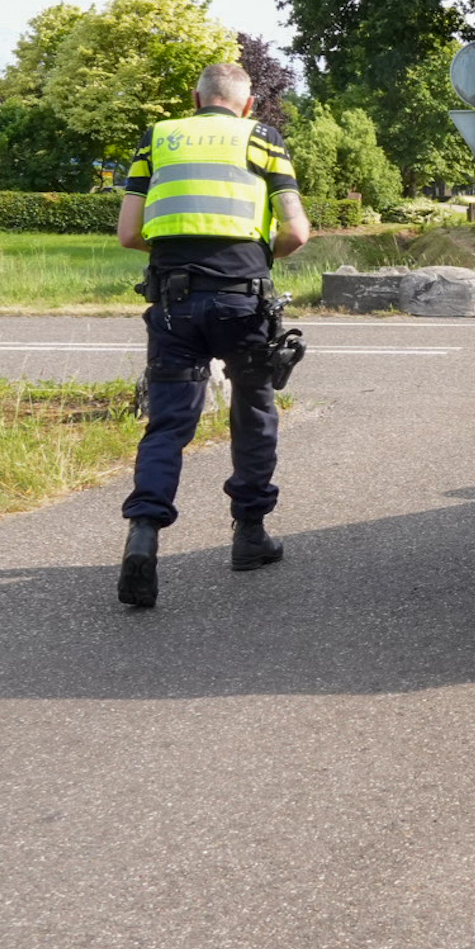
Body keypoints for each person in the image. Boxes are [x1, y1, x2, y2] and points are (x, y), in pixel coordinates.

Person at [115, 62, 312, 610]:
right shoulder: (263, 139)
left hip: (175, 303)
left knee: (169, 422)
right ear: (247, 105)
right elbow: (297, 232)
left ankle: (144, 534)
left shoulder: (157, 139)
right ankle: (249, 536)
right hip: (242, 302)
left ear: (195, 98)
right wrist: (249, 260)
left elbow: (129, 232)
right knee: (253, 409)